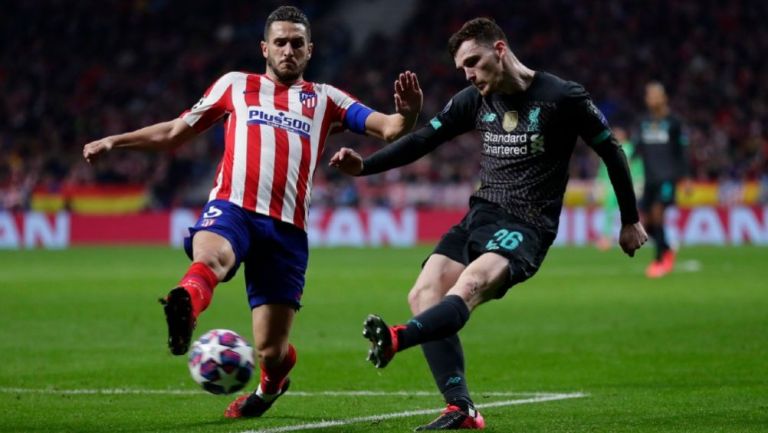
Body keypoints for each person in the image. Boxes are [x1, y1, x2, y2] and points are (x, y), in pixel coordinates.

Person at [82, 5, 422, 419]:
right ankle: (185, 306)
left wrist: (409, 112)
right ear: (265, 47)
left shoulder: (327, 99)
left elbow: (390, 128)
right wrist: (115, 141)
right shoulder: (235, 85)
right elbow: (174, 131)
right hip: (233, 208)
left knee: (271, 351)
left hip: (286, 231)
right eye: (280, 42)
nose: (288, 50)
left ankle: (271, 385)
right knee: (211, 259)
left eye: (298, 43)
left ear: (310, 50)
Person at [330, 17, 647, 430]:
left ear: (500, 49)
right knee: (423, 293)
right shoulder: (472, 100)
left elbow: (612, 151)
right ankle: (460, 407)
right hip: (480, 215)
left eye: (475, 62)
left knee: (471, 285)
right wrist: (365, 167)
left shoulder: (562, 97)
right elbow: (425, 139)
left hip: (528, 223)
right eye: (464, 68)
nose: (470, 75)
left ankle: (398, 338)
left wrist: (629, 220)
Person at [634, 81, 690, 278]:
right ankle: (667, 247)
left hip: (667, 177)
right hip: (649, 179)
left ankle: (658, 262)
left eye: (655, 95)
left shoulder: (674, 122)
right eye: (648, 95)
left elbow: (681, 151)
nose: (651, 99)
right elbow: (636, 148)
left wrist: (685, 178)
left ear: (664, 98)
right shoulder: (643, 122)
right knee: (647, 224)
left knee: (658, 214)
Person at [594, 126, 644, 250]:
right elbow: (603, 169)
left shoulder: (631, 149)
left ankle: (637, 234)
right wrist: (600, 182)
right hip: (610, 187)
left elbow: (637, 165)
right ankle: (607, 237)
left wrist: (639, 181)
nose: (616, 135)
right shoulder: (609, 147)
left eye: (618, 133)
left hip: (628, 185)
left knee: (632, 211)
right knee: (609, 211)